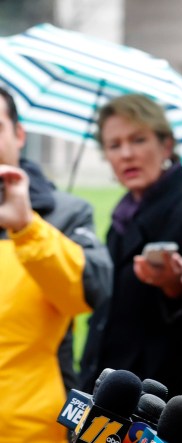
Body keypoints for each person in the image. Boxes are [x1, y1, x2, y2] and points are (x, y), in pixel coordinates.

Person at [79, 94, 182, 402]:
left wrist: (176, 289)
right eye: (114, 145)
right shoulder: (121, 216)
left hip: (161, 403)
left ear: (166, 145)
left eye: (138, 140)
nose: (126, 154)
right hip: (110, 391)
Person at [0, 87, 111, 442]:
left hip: (31, 428)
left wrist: (27, 228)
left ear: (19, 135)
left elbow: (90, 292)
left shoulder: (65, 214)